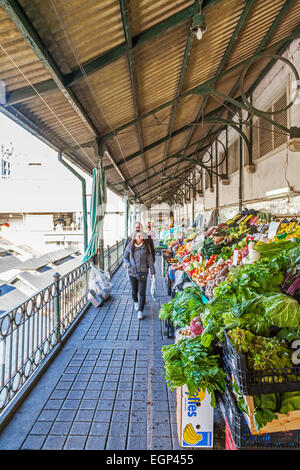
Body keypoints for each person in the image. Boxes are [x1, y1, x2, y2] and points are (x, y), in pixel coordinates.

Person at [123, 231, 155, 320]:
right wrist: (128, 265)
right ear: (135, 237)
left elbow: (150, 260)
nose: (140, 237)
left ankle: (140, 311)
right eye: (138, 236)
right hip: (132, 272)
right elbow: (125, 257)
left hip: (143, 272)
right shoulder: (130, 245)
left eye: (141, 236)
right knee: (134, 291)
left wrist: (152, 272)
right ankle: (136, 302)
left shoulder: (146, 246)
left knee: (142, 292)